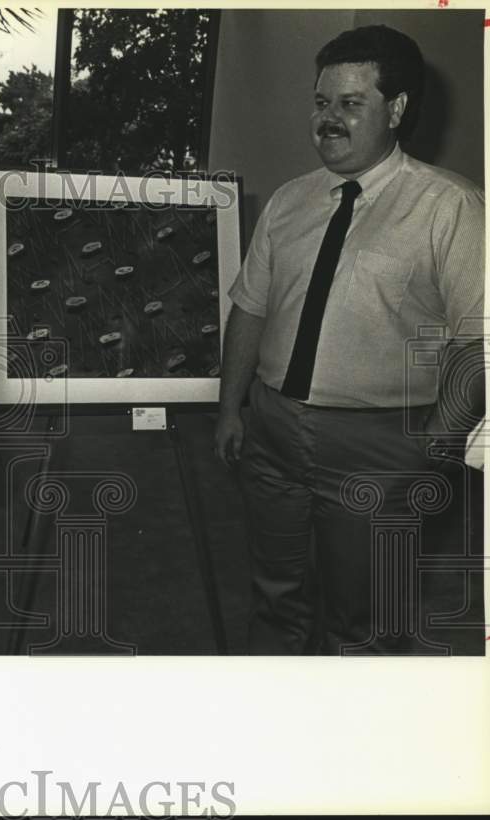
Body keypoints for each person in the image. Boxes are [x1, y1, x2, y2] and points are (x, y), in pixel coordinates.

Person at [214, 25, 485, 654]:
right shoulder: (290, 201)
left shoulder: (452, 206)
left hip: (383, 445)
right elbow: (250, 311)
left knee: (362, 623)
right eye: (321, 102)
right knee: (274, 594)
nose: (328, 119)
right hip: (275, 431)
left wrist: (434, 451)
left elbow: (479, 342)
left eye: (350, 103)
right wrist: (231, 408)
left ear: (396, 109)